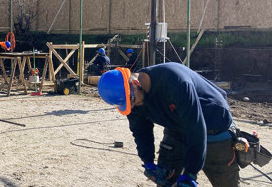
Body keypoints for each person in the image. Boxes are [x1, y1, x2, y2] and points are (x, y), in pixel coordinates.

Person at [97, 62, 239, 187]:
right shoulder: (131, 98)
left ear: (135, 83)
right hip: (177, 125)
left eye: (132, 100)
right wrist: (147, 161)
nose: (132, 106)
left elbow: (195, 127)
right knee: (166, 177)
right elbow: (140, 129)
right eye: (128, 104)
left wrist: (190, 174)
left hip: (212, 124)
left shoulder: (175, 82)